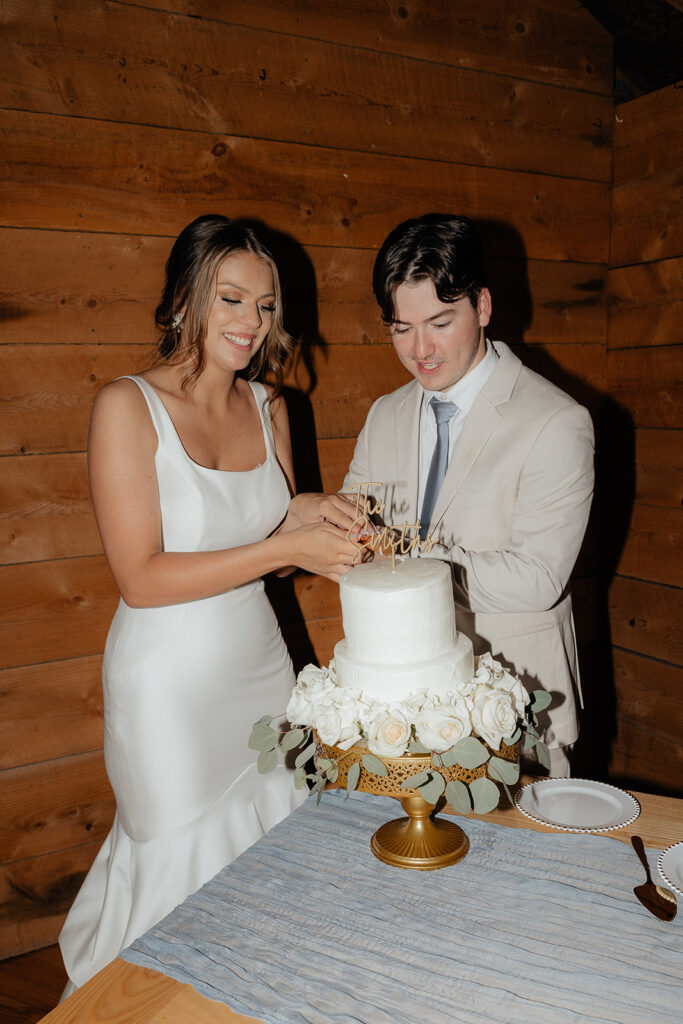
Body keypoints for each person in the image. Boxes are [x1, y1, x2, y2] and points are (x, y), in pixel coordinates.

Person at [59, 214, 360, 992]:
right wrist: (282, 548)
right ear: (185, 298)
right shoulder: (125, 406)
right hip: (167, 687)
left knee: (273, 863)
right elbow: (142, 577)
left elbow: (275, 518)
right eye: (231, 299)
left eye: (264, 307)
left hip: (260, 669)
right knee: (176, 873)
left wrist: (317, 513)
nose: (251, 323)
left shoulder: (270, 408)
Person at [343, 214, 594, 777]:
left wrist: (407, 564)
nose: (420, 349)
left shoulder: (556, 420)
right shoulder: (384, 415)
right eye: (401, 327)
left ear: (482, 307)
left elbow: (537, 578)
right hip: (397, 703)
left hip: (515, 706)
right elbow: (354, 539)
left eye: (439, 321)